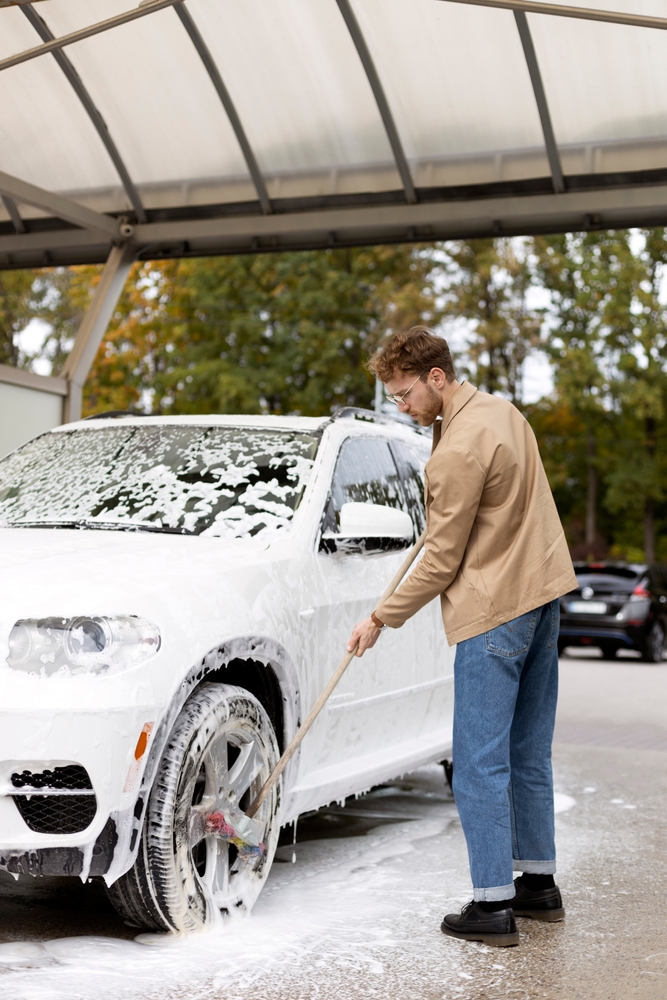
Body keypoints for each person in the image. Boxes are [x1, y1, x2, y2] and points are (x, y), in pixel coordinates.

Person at [347, 326, 577, 948]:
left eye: (403, 394)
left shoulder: (454, 453)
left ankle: (491, 905)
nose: (401, 405)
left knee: (477, 763)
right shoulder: (506, 415)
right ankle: (538, 886)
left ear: (437, 378)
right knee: (528, 752)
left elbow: (441, 560)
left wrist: (380, 618)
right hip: (543, 598)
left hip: (495, 612)